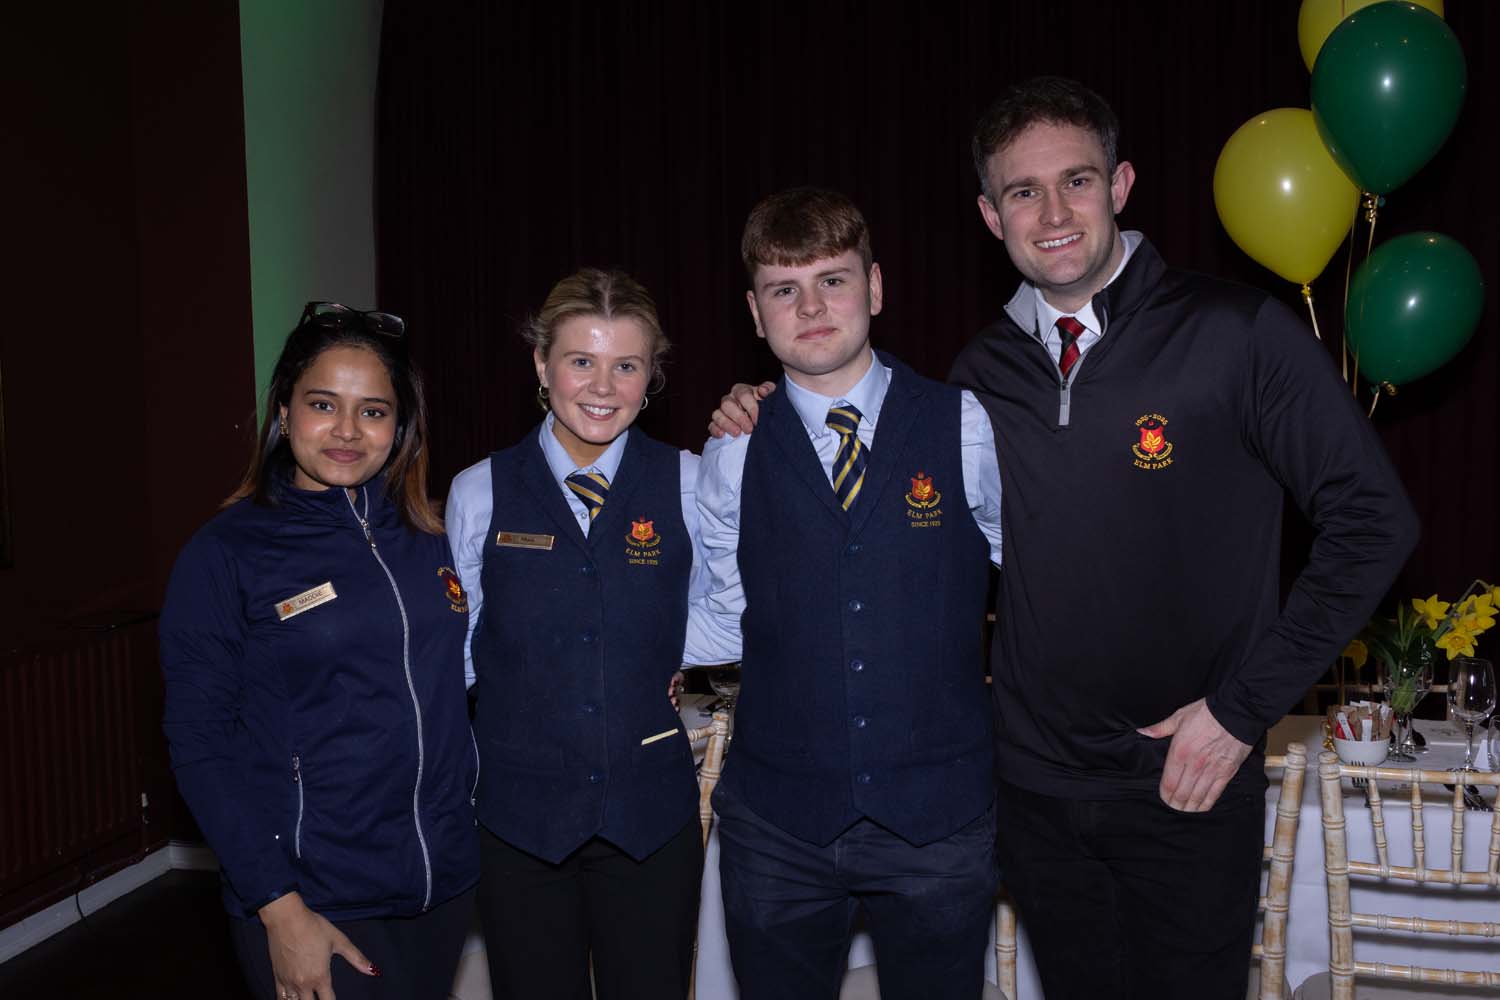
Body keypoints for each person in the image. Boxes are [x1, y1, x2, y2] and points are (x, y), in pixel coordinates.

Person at [713, 78, 1419, 999]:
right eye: (1022, 191)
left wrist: (1240, 711)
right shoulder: (977, 380)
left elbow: (1375, 523)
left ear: (1120, 185)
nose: (1052, 214)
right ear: (990, 215)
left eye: (1076, 181)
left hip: (1186, 779)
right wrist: (759, 408)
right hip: (1034, 794)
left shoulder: (1237, 332)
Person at [687, 187, 1005, 1000]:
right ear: (755, 314)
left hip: (941, 817)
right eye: (783, 289)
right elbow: (721, 615)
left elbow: (1042, 588)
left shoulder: (967, 425)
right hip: (777, 824)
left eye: (832, 280)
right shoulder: (731, 450)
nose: (810, 307)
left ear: (875, 287)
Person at [161, 303, 480, 1000]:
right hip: (315, 898)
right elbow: (199, 747)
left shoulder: (430, 538)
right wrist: (278, 907)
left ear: (400, 426)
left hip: (442, 886)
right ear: (284, 411)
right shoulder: (225, 554)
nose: (347, 430)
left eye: (373, 411)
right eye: (323, 404)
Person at [445, 268, 706, 1000]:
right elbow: (459, 650)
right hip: (519, 819)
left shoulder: (692, 481)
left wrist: (655, 661)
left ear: (651, 376)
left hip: (650, 818)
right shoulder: (479, 489)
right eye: (581, 361)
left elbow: (724, 611)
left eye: (626, 365)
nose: (602, 387)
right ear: (541, 364)